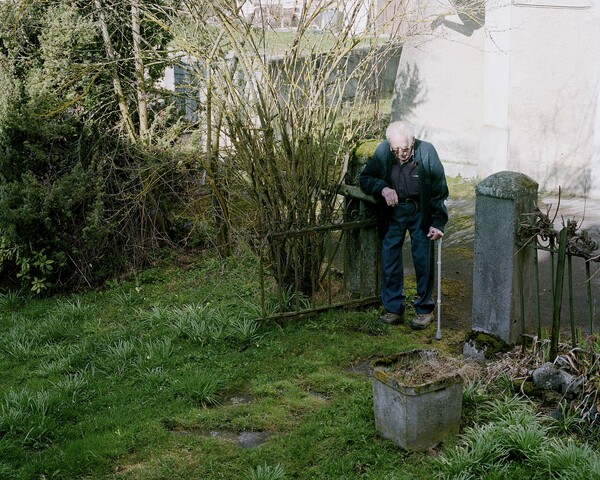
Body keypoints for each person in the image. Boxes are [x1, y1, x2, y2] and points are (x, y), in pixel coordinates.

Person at [359, 121, 449, 330]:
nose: (400, 153)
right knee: (390, 256)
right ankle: (393, 308)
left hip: (420, 211)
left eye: (405, 149)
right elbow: (366, 178)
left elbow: (439, 190)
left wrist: (438, 223)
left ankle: (424, 310)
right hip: (394, 211)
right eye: (396, 149)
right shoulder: (383, 151)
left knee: (422, 258)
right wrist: (382, 188)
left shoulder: (427, 152)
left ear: (413, 141)